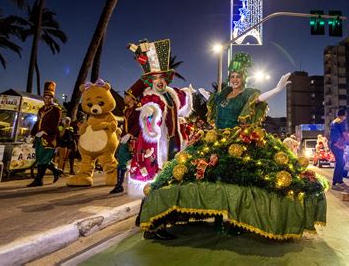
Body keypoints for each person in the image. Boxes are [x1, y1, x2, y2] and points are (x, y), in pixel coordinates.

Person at [137, 52, 328, 241]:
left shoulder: (248, 94)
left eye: (238, 76)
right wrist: (207, 95)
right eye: (232, 76)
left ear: (243, 78)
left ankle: (238, 220)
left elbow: (260, 99)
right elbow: (216, 102)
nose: (235, 79)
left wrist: (277, 89)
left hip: (239, 140)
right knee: (188, 175)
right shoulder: (223, 94)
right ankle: (160, 218)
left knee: (239, 181)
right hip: (214, 139)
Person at [127, 39, 194, 240]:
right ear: (150, 81)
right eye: (155, 78)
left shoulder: (170, 95)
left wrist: (189, 93)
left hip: (171, 144)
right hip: (154, 146)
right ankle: (153, 227)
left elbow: (182, 102)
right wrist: (150, 120)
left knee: (164, 183)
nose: (159, 81)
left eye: (162, 77)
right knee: (155, 184)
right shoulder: (150, 97)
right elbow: (148, 117)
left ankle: (146, 219)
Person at [110, 79, 145, 194]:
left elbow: (139, 124)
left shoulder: (138, 109)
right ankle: (119, 185)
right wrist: (124, 135)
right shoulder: (127, 110)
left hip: (136, 140)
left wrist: (130, 134)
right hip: (126, 140)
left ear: (132, 98)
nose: (124, 98)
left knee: (139, 163)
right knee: (122, 161)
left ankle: (142, 184)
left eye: (126, 96)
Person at [27, 81, 62, 187]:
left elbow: (55, 124)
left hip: (49, 138)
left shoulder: (56, 110)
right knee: (40, 158)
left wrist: (44, 131)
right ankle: (56, 171)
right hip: (39, 137)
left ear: (52, 98)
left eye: (49, 98)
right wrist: (32, 134)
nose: (47, 99)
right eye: (45, 97)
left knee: (43, 158)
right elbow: (37, 122)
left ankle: (39, 180)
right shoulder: (41, 109)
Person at [329, 108, 349, 191]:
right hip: (336, 145)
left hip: (336, 144)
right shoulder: (340, 122)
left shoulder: (334, 121)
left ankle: (340, 181)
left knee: (342, 162)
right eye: (345, 115)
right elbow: (345, 134)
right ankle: (334, 183)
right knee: (340, 162)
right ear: (344, 115)